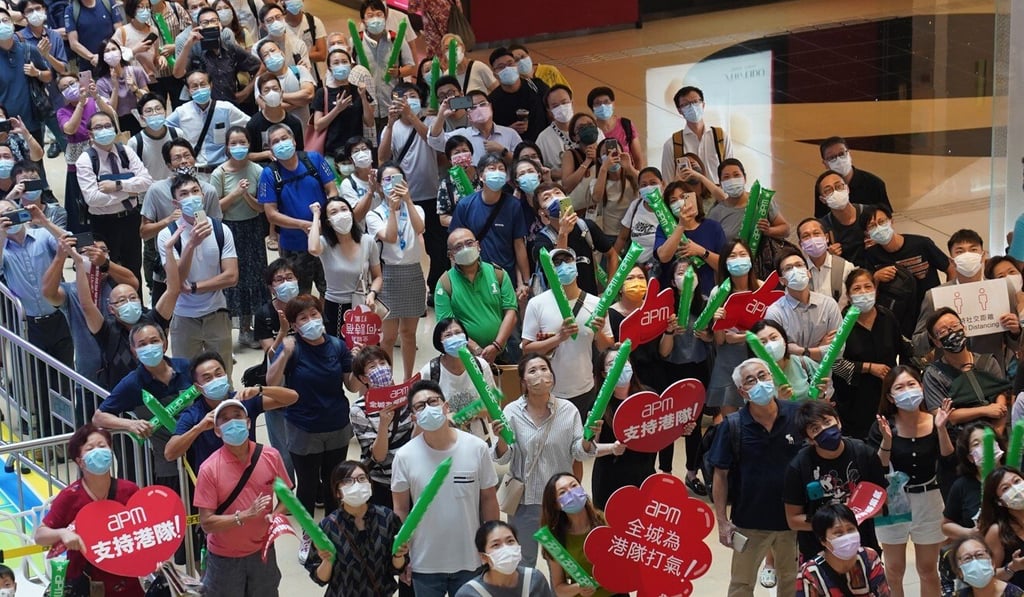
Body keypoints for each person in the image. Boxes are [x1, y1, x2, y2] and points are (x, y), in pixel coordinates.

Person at [265, 293, 357, 562]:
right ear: (294, 325)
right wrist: (285, 351)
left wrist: (360, 363)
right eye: (303, 318)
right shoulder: (291, 347)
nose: (311, 320)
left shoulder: (338, 346)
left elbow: (351, 385)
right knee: (306, 486)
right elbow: (272, 381)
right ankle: (308, 536)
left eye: (314, 314)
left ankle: (332, 532)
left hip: (337, 424)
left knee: (333, 483)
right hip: (303, 428)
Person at [391, 380, 500, 597]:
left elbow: (488, 499)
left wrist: (493, 547)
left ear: (446, 406)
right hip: (425, 564)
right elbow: (401, 509)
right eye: (420, 406)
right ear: (413, 417)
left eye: (433, 401)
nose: (428, 408)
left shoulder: (476, 448)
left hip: (471, 560)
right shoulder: (404, 456)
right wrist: (403, 558)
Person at [492, 353, 603, 566]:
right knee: (524, 562)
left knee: (561, 562)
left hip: (561, 502)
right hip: (524, 502)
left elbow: (578, 452)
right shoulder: (512, 412)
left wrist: (589, 438)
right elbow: (504, 457)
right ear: (523, 381)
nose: (541, 374)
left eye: (544, 368)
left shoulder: (568, 410)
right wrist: (500, 440)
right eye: (533, 371)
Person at [709, 357, 803, 597]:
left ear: (772, 376)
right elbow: (720, 475)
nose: (760, 383)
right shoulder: (733, 425)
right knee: (741, 584)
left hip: (792, 521)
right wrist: (721, 521)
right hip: (748, 523)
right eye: (750, 381)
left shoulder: (796, 415)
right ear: (743, 391)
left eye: (763, 376)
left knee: (792, 582)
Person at [867, 366, 954, 597]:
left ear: (922, 387)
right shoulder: (882, 426)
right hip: (893, 501)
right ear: (890, 397)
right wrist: (887, 440)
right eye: (900, 387)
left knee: (928, 569)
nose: (907, 391)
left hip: (929, 499)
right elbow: (878, 467)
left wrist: (942, 429)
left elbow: (949, 459)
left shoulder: (936, 420)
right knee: (894, 570)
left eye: (912, 384)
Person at [193, 399, 291, 595]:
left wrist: (275, 516)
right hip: (224, 558)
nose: (233, 423)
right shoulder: (209, 469)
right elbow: (207, 523)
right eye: (225, 420)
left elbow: (287, 499)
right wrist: (244, 515)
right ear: (217, 431)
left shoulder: (270, 456)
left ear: (248, 422)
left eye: (237, 417)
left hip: (263, 551)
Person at [33, 425, 144, 596]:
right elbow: (40, 535)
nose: (98, 452)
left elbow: (145, 529)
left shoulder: (129, 490)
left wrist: (154, 558)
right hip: (85, 583)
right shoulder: (70, 496)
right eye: (90, 448)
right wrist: (62, 533)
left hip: (126, 580)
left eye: (102, 446)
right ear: (79, 461)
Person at [0, 202, 75, 432]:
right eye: (2, 217)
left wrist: (45, 221)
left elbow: (73, 243)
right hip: (29, 324)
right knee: (38, 382)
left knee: (63, 379)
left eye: (10, 212)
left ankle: (63, 429)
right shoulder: (2, 248)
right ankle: (45, 429)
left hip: (60, 317)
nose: (8, 219)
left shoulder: (42, 235)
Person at [71, 228, 176, 391]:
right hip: (123, 400)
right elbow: (87, 305)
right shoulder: (107, 331)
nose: (128, 302)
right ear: (111, 309)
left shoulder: (153, 320)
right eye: (121, 300)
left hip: (160, 394)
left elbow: (173, 290)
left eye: (133, 298)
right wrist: (79, 263)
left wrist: (168, 251)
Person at [784, 400, 887, 560]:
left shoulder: (864, 454)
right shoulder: (798, 467)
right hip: (817, 550)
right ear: (810, 439)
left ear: (838, 421)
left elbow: (881, 506)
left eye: (827, 422)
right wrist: (832, 523)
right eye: (815, 429)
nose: (825, 429)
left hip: (862, 545)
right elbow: (793, 520)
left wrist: (855, 515)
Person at [92, 322, 190, 487]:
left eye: (154, 341)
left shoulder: (187, 367)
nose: (149, 347)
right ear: (134, 351)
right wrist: (130, 424)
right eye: (142, 344)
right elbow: (99, 417)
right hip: (168, 464)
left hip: (202, 454)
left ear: (164, 344)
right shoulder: (133, 383)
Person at [157, 173, 238, 373]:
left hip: (217, 313)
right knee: (186, 379)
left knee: (222, 374)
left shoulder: (221, 230)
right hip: (183, 317)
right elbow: (176, 284)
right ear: (176, 203)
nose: (191, 197)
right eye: (184, 194)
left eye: (195, 191)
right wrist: (191, 244)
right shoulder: (167, 235)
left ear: (203, 195)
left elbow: (231, 277)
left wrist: (194, 288)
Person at [521, 249, 614, 415]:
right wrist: (559, 337)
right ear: (549, 270)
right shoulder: (537, 304)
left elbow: (607, 348)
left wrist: (598, 332)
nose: (564, 266)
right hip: (549, 390)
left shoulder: (596, 304)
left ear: (576, 266)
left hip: (585, 388)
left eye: (568, 261)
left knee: (583, 439)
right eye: (557, 263)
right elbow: (527, 349)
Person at [165, 351, 298, 467]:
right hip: (214, 484)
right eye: (207, 378)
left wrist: (260, 389)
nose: (215, 380)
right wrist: (199, 428)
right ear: (199, 387)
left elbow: (292, 398)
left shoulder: (243, 400)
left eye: (218, 374)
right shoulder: (193, 414)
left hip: (250, 474)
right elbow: (170, 454)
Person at [913, 229, 1021, 370]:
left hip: (991, 370)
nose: (967, 255)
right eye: (960, 251)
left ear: (983, 256)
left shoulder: (1003, 290)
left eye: (973, 249)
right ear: (952, 261)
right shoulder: (935, 296)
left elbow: (1015, 344)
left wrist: (1015, 331)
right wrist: (936, 333)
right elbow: (917, 345)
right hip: (950, 375)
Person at [304, 460, 408, 597]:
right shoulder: (327, 526)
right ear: (337, 492)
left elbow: (397, 568)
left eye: (362, 478)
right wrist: (327, 560)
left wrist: (399, 555)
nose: (357, 484)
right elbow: (320, 579)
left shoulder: (387, 518)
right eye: (348, 480)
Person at [140, 138, 223, 307]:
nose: (184, 161)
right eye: (177, 158)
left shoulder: (208, 191)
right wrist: (168, 220)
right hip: (167, 263)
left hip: (203, 262)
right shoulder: (156, 190)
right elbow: (144, 232)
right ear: (169, 165)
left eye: (187, 156)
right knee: (163, 318)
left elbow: (217, 226)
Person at [830, 268, 912, 439]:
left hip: (887, 395)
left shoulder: (887, 316)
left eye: (868, 287)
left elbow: (903, 349)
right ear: (849, 295)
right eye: (857, 289)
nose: (863, 292)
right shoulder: (841, 323)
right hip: (854, 400)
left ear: (875, 290)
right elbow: (835, 364)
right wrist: (867, 368)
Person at [258, 123, 338, 295]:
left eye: (284, 138)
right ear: (270, 149)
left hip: (326, 240)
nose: (281, 143)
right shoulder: (269, 174)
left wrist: (327, 217)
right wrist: (303, 225)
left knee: (331, 291)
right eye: (275, 141)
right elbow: (271, 214)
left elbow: (332, 190)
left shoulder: (314, 160)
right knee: (300, 297)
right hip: (293, 247)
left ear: (294, 141)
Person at [75, 110, 154, 283]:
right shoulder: (85, 160)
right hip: (104, 223)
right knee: (107, 271)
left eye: (107, 126)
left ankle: (137, 306)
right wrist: (130, 192)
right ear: (90, 134)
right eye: (98, 127)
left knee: (133, 268)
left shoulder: (125, 151)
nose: (104, 130)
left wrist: (117, 186)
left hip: (130, 219)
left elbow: (147, 181)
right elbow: (93, 199)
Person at [379, 82, 444, 291]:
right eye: (403, 97)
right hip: (404, 196)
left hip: (432, 194)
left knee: (437, 247)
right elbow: (382, 158)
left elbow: (433, 141)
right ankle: (405, 289)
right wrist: (389, 124)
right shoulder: (393, 127)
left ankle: (436, 287)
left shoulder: (432, 120)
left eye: (412, 95)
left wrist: (413, 117)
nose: (408, 100)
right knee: (405, 245)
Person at [365, 163, 425, 379]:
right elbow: (390, 237)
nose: (393, 185)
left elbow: (420, 229)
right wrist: (392, 209)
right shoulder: (374, 215)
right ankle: (387, 380)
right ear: (380, 185)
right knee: (388, 337)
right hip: (389, 275)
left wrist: (407, 201)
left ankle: (408, 379)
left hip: (413, 274)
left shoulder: (416, 209)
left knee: (409, 334)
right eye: (387, 180)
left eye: (397, 179)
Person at [212, 126, 267, 348]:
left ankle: (249, 327)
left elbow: (261, 208)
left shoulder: (258, 171)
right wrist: (235, 194)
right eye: (233, 143)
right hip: (229, 230)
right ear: (227, 147)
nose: (238, 147)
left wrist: (247, 197)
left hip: (253, 229)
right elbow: (215, 209)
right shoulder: (220, 173)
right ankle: (230, 332)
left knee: (255, 278)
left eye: (242, 142)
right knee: (234, 279)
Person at [863, 205, 955, 337]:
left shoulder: (921, 244)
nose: (878, 228)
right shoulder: (871, 255)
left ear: (891, 221)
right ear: (867, 233)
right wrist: (876, 277)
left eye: (881, 222)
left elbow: (950, 268)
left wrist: (945, 299)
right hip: (899, 317)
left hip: (930, 311)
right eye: (872, 226)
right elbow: (868, 290)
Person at [661, 258, 711, 490]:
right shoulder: (666, 307)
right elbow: (663, 352)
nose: (686, 275)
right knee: (668, 425)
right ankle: (666, 474)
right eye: (680, 272)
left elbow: (715, 340)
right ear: (672, 280)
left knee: (694, 423)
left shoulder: (706, 303)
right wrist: (670, 332)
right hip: (671, 370)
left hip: (698, 368)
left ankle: (692, 473)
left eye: (690, 270)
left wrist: (707, 336)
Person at [449, 153, 531, 295]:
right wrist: (456, 282)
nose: (497, 172)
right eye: (492, 168)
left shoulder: (513, 205)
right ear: (481, 176)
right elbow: (455, 246)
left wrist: (524, 281)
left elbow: (519, 245)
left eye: (501, 169)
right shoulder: (465, 205)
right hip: (474, 275)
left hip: (506, 275)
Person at [435, 227, 519, 364]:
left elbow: (511, 313)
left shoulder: (498, 274)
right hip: (463, 358)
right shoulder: (445, 284)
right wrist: (476, 349)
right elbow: (448, 326)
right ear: (451, 255)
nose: (466, 249)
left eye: (469, 243)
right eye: (458, 247)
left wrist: (496, 346)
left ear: (478, 246)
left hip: (501, 353)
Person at [922, 307, 1010, 434]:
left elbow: (1000, 399)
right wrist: (983, 410)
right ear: (937, 342)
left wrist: (995, 438)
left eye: (954, 325)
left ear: (964, 328)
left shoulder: (988, 362)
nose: (951, 332)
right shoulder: (934, 374)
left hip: (993, 436)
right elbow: (942, 416)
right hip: (958, 440)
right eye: (943, 331)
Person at [348, 346, 416, 505]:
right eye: (372, 366)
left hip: (412, 476)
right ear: (364, 378)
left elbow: (417, 440)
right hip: (382, 482)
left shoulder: (407, 397)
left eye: (383, 363)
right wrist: (383, 425)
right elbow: (378, 456)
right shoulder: (359, 410)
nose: (380, 369)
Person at [307, 196, 382, 336]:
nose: (341, 214)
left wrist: (372, 293)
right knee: (338, 350)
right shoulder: (325, 243)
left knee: (363, 352)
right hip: (335, 306)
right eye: (334, 212)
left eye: (344, 209)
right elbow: (313, 248)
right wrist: (316, 215)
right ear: (328, 222)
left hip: (362, 303)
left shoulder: (367, 241)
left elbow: (377, 276)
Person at [706, 239, 764, 417]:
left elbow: (769, 330)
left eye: (742, 254)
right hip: (727, 362)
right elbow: (720, 340)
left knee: (759, 413)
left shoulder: (761, 287)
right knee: (729, 421)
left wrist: (741, 337)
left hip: (757, 357)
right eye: (732, 256)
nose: (738, 259)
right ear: (725, 262)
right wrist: (717, 323)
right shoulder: (718, 292)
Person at [707, 158, 791, 277]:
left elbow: (785, 229)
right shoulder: (716, 212)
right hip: (733, 272)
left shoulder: (762, 202)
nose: (732, 180)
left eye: (736, 175)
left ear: (744, 178)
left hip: (763, 268)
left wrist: (769, 231)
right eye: (726, 177)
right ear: (720, 183)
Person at [539, 473, 617, 597]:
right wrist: (578, 588)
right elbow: (559, 588)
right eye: (562, 492)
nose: (571, 493)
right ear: (556, 505)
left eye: (574, 486)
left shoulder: (606, 521)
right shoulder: (555, 540)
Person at [57, 74, 116, 232]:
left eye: (71, 83)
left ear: (79, 82)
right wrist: (80, 104)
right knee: (80, 205)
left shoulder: (95, 101)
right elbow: (70, 129)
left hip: (103, 156)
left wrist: (96, 96)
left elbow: (111, 115)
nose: (69, 88)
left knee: (105, 196)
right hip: (77, 164)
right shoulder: (62, 111)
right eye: (63, 88)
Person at [420, 318, 496, 440]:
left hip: (478, 439)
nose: (454, 338)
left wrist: (471, 413)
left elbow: (493, 406)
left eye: (458, 333)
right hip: (443, 439)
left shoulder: (481, 366)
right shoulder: (429, 371)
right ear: (440, 341)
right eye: (448, 335)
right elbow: (422, 412)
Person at [591, 348, 648, 508]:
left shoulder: (647, 396)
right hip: (610, 480)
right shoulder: (598, 405)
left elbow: (661, 433)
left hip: (643, 476)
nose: (620, 366)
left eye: (624, 361)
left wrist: (681, 429)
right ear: (603, 373)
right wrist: (612, 448)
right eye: (612, 364)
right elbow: (589, 449)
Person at [531, 184, 613, 296]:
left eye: (558, 193)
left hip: (590, 298)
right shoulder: (542, 240)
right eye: (547, 198)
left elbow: (612, 255)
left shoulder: (586, 226)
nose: (555, 198)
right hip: (561, 303)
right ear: (542, 212)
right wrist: (563, 233)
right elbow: (554, 272)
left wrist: (609, 290)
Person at [167, 68, 251, 175]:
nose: (199, 89)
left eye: (203, 84)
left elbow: (250, 125)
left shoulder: (226, 108)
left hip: (224, 171)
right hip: (196, 172)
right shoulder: (181, 112)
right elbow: (162, 130)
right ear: (188, 90)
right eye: (194, 86)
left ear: (210, 85)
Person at [765, 247, 843, 361]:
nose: (795, 270)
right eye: (788, 268)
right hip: (791, 377)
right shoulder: (774, 313)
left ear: (808, 273)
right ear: (782, 280)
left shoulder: (829, 305)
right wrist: (820, 349)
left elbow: (838, 351)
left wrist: (802, 351)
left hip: (824, 377)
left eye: (799, 265)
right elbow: (778, 356)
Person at [796, 503, 890, 596]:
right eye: (838, 533)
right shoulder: (809, 574)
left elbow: (883, 594)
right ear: (823, 540)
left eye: (850, 530)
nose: (847, 537)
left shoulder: (869, 558)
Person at [174, 7, 261, 104]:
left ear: (220, 24)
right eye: (205, 23)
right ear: (199, 27)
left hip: (229, 106)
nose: (210, 25)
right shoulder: (194, 49)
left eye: (213, 21)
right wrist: (188, 45)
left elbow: (260, 67)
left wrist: (245, 92)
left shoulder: (230, 47)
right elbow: (178, 74)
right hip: (203, 106)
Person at [350, 0, 414, 131]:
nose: (375, 19)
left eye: (379, 14)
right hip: (366, 109)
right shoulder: (356, 42)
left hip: (392, 106)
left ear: (385, 17)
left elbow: (411, 66)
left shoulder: (397, 40)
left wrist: (399, 72)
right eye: (370, 15)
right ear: (363, 20)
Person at [654, 180, 726, 293]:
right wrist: (681, 225)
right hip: (672, 295)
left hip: (704, 294)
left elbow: (724, 266)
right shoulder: (663, 228)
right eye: (673, 200)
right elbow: (663, 256)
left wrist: (701, 251)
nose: (679, 202)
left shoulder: (713, 227)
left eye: (683, 197)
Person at [18, 0, 70, 159]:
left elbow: (63, 69)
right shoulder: (19, 39)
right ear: (24, 16)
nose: (35, 13)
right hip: (32, 102)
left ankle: (75, 179)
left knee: (67, 143)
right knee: (35, 150)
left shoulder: (54, 36)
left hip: (55, 98)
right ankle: (42, 184)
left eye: (38, 8)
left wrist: (47, 56)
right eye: (29, 10)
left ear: (45, 10)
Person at [455, 521, 556, 597]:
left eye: (510, 541)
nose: (506, 548)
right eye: (496, 545)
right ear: (484, 557)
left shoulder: (535, 580)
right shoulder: (469, 593)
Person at [660, 85, 733, 184]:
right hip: (688, 197)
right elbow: (669, 182)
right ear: (679, 110)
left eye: (695, 102)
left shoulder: (721, 137)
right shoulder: (671, 145)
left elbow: (731, 171)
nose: (692, 107)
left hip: (719, 195)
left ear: (703, 104)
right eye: (685, 104)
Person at [428, 91, 524, 162]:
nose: (479, 109)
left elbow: (524, 163)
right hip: (473, 188)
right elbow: (435, 141)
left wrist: (503, 152)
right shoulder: (462, 136)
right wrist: (441, 115)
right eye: (473, 107)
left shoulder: (510, 133)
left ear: (490, 107)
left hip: (507, 188)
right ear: (468, 115)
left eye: (482, 104)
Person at [749, 319, 830, 402]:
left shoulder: (803, 363)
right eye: (763, 342)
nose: (770, 345)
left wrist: (821, 394)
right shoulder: (753, 379)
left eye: (773, 338)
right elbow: (757, 411)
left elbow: (824, 401)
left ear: (784, 340)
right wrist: (780, 403)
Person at [812, 136, 892, 219]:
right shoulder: (823, 186)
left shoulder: (874, 184)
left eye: (841, 154)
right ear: (825, 163)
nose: (839, 160)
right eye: (832, 158)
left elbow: (887, 218)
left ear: (849, 154)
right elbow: (821, 219)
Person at [314, 47, 371, 159]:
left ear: (351, 65)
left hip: (357, 152)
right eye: (336, 63)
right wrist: (337, 109)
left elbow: (369, 122)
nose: (341, 65)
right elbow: (318, 126)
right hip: (332, 153)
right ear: (330, 68)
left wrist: (363, 97)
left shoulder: (359, 90)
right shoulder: (323, 92)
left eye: (344, 62)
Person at [487, 47, 547, 143]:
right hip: (515, 149)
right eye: (501, 67)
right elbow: (491, 132)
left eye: (510, 63)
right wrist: (509, 131)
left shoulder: (536, 86)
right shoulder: (492, 101)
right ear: (495, 74)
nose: (507, 69)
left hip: (543, 144)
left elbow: (551, 111)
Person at [815, 170, 873, 268]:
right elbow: (818, 263)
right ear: (823, 200)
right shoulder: (822, 227)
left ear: (847, 189)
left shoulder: (870, 213)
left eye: (839, 186)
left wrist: (880, 242)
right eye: (828, 190)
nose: (836, 192)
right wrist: (828, 257)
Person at [254, 37, 316, 131]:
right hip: (275, 136)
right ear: (263, 63)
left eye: (273, 50)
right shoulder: (260, 80)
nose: (271, 56)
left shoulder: (299, 70)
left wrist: (277, 96)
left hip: (303, 134)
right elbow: (269, 108)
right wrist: (300, 102)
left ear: (282, 53)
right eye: (266, 55)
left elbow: (308, 94)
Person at [979, 466, 1024, 589]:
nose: (1016, 489)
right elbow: (986, 578)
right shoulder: (997, 532)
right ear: (999, 501)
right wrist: (1013, 567)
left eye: (1017, 481)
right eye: (1006, 488)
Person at [95, 37, 150, 136]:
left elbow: (148, 99)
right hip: (119, 124)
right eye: (107, 51)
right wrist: (115, 87)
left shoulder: (136, 71)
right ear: (102, 57)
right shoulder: (101, 83)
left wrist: (136, 89)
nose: (111, 53)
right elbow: (111, 111)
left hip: (139, 118)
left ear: (120, 52)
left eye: (113, 49)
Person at [247, 73, 307, 164]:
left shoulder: (294, 123)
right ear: (261, 97)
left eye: (275, 89)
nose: (272, 93)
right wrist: (265, 154)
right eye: (266, 90)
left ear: (281, 93)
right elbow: (247, 155)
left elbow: (299, 152)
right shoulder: (253, 124)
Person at [612, 167, 667, 264]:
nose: (648, 187)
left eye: (653, 183)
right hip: (636, 268)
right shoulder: (635, 206)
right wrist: (613, 262)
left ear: (662, 184)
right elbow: (622, 238)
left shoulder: (669, 208)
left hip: (661, 268)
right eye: (644, 185)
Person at [588, 135, 639, 241]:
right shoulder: (597, 182)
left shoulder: (632, 178)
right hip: (611, 235)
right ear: (600, 159)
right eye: (606, 154)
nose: (611, 156)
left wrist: (629, 167)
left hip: (634, 232)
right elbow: (596, 198)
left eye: (614, 152)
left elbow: (648, 187)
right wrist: (604, 169)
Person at [798, 217, 856, 306]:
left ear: (826, 237)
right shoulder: (798, 272)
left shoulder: (846, 268)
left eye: (816, 233)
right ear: (801, 244)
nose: (812, 239)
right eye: (806, 236)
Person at [128, 93, 182, 181]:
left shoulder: (177, 134)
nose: (155, 113)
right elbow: (133, 173)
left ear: (165, 111)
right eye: (149, 111)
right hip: (149, 191)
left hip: (177, 187)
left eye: (158, 109)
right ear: (142, 117)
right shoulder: (135, 142)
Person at [950, 534, 1024, 597]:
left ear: (992, 562)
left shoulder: (1015, 594)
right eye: (967, 558)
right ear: (959, 572)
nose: (975, 562)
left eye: (979, 555)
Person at [588, 86, 644, 167]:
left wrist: (636, 177)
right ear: (592, 108)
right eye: (598, 103)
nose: (603, 106)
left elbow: (638, 158)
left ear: (613, 104)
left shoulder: (626, 124)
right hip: (601, 177)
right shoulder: (590, 130)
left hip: (627, 176)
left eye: (606, 102)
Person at [64, 0, 120, 72]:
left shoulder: (108, 2)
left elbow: (119, 31)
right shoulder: (71, 10)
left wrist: (108, 53)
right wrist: (92, 57)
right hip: (90, 66)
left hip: (113, 61)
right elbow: (73, 43)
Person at [534, 85, 577, 180]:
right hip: (561, 191)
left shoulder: (592, 129)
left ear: (572, 103)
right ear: (549, 110)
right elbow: (538, 169)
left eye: (564, 102)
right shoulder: (543, 138)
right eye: (555, 106)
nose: (561, 108)